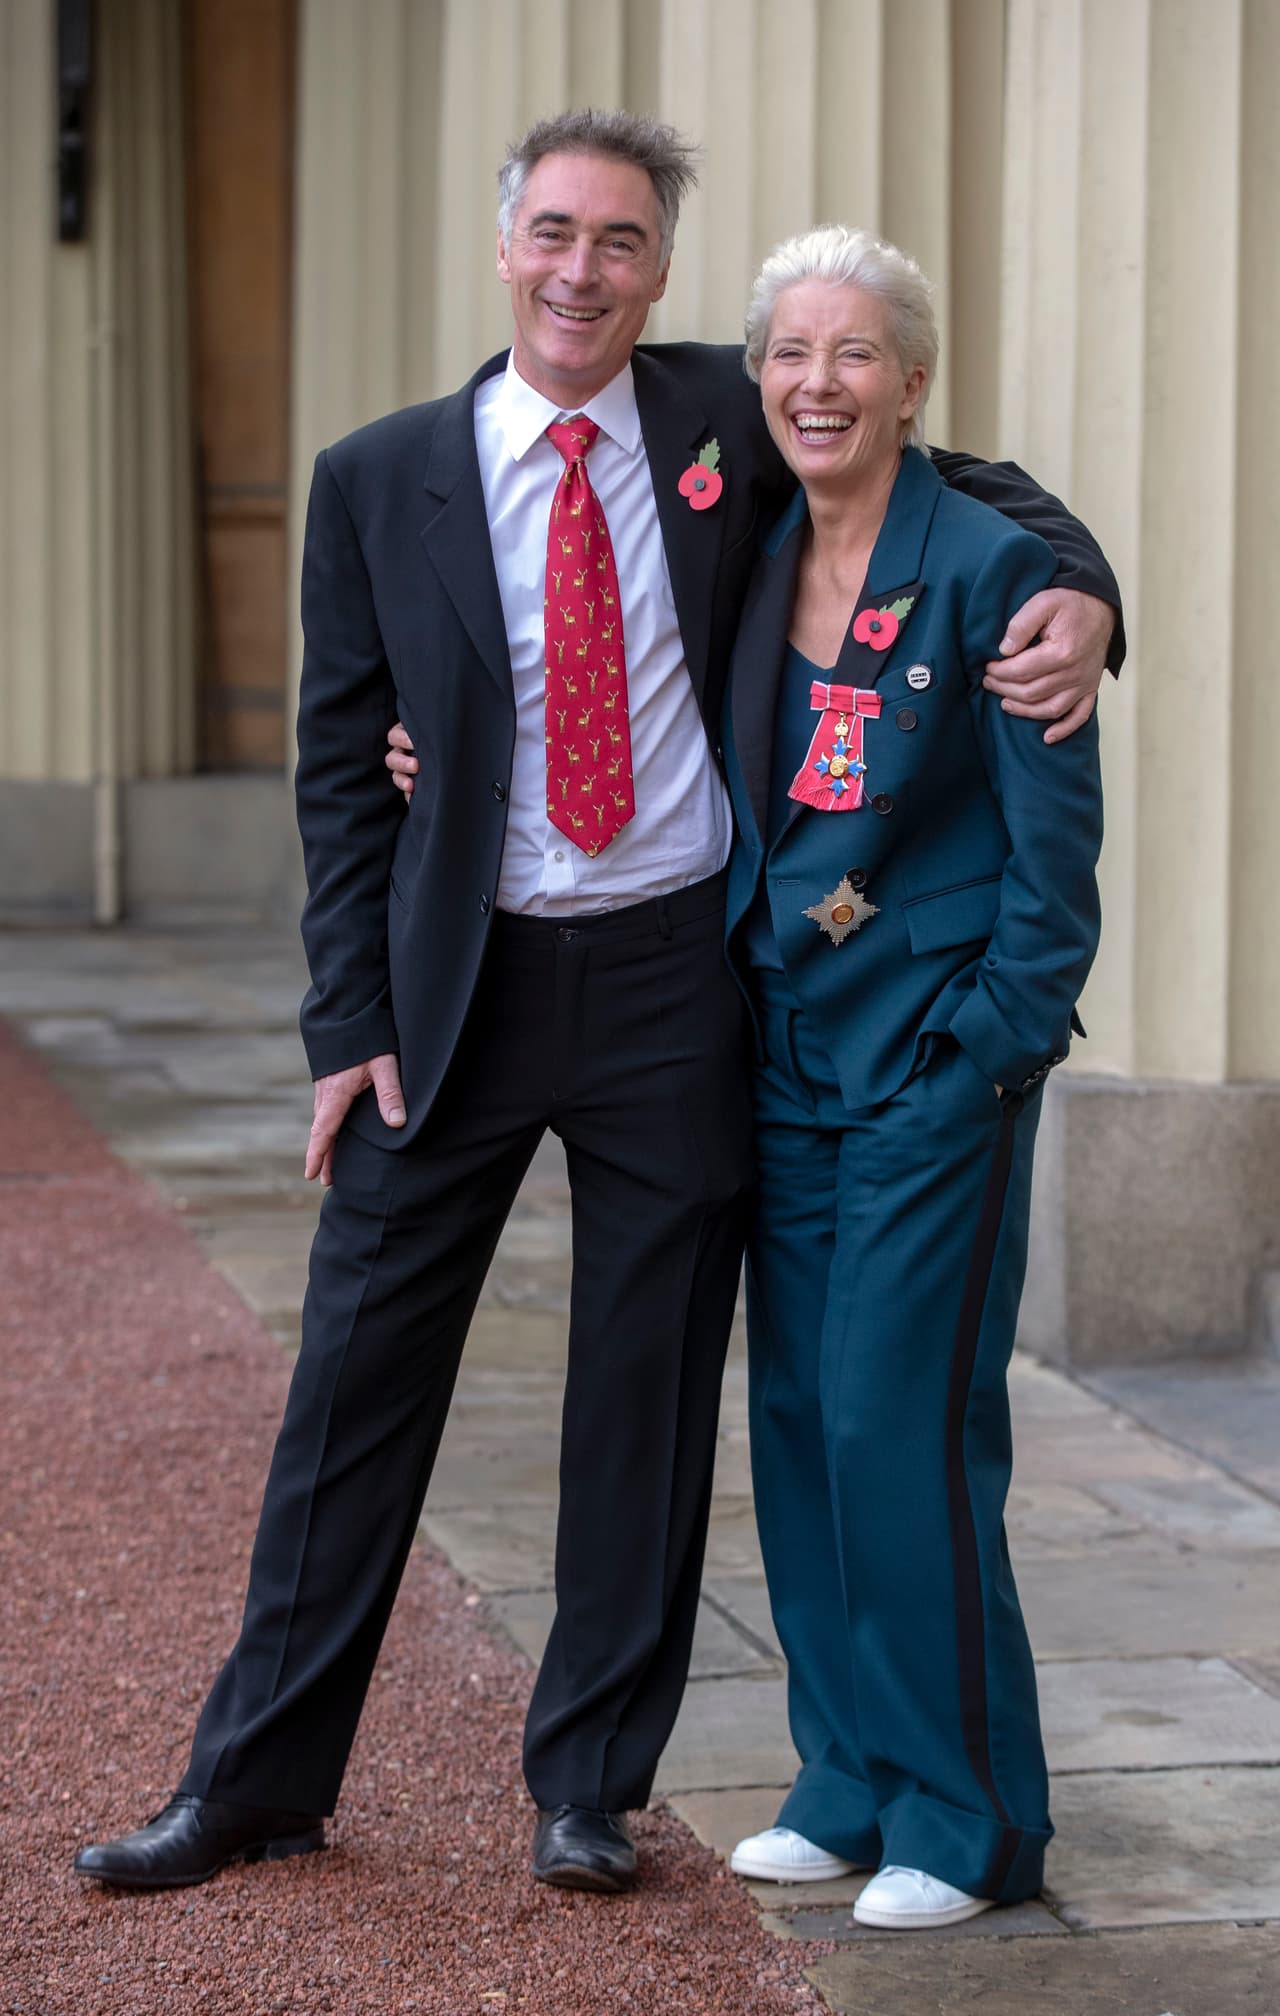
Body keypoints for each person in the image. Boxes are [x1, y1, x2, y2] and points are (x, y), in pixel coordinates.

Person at [75, 112, 1119, 1900]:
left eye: (621, 242)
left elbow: (959, 485)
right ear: (507, 248)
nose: (583, 271)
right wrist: (346, 1024)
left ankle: (591, 1784)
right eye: (556, 234)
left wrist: (1091, 600)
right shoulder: (375, 476)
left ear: (658, 272)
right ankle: (251, 1778)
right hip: (459, 986)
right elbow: (338, 774)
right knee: (354, 1382)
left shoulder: (729, 411)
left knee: (647, 1396)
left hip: (671, 981)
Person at [709, 226, 1103, 1929]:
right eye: (791, 352)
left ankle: (969, 1815)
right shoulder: (744, 546)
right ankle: (849, 1777)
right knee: (799, 1420)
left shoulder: (998, 571)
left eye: (855, 352)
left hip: (934, 1065)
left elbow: (1055, 860)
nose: (819, 382)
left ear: (914, 383)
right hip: (779, 1049)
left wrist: (995, 1049)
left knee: (900, 1425)